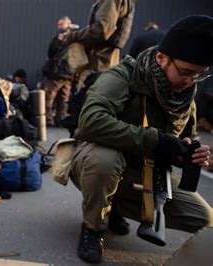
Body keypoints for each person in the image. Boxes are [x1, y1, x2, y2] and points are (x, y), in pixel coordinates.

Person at [69, 15, 213, 263]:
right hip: (98, 161)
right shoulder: (122, 76)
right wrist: (155, 141)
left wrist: (189, 150)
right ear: (161, 58)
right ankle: (93, 229)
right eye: (186, 72)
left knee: (204, 219)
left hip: (149, 173)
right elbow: (91, 121)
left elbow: (187, 134)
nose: (190, 81)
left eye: (199, 76)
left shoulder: (185, 93)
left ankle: (113, 204)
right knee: (105, 161)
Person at [61, 0, 135, 87]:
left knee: (89, 94)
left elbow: (100, 30)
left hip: (99, 62)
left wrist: (72, 36)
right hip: (104, 62)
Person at [42, 16, 75, 126]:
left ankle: (53, 120)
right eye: (59, 24)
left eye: (61, 24)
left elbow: (51, 52)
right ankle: (55, 119)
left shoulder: (68, 38)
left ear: (68, 24)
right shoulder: (65, 38)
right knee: (57, 98)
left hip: (61, 74)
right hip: (63, 74)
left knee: (55, 98)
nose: (59, 27)